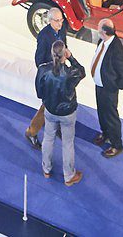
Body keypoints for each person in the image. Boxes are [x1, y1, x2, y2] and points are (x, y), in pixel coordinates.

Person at [34, 38, 84, 187]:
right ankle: (69, 176)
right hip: (67, 112)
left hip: (50, 110)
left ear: (51, 53)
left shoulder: (43, 70)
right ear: (64, 54)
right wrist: (72, 58)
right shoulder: (71, 73)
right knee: (67, 144)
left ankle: (46, 169)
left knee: (48, 138)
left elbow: (39, 93)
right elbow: (82, 71)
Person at [24, 5, 66, 147]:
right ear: (49, 20)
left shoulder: (61, 29)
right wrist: (50, 72)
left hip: (60, 73)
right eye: (57, 21)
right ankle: (31, 132)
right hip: (51, 77)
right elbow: (39, 60)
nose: (60, 23)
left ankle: (57, 126)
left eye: (61, 20)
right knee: (46, 107)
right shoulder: (44, 36)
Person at [92, 17, 123, 158]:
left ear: (103, 32)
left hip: (108, 89)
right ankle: (105, 133)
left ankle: (116, 145)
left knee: (111, 117)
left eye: (98, 28)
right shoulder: (102, 41)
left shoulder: (115, 48)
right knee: (102, 112)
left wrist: (114, 86)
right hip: (100, 85)